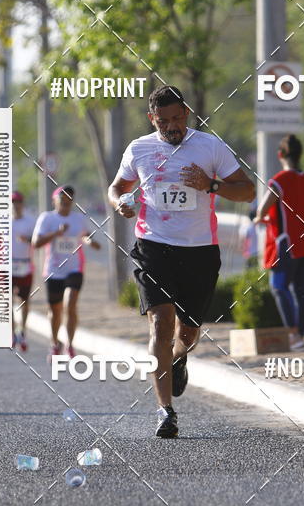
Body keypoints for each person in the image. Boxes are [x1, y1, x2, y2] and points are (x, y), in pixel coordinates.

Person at [108, 85, 255, 439]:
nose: (172, 126)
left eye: (177, 118)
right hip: (153, 247)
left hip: (200, 250)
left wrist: (212, 185)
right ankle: (165, 412)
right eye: (164, 121)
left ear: (187, 113)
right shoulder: (139, 149)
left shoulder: (210, 147)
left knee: (187, 334)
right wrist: (120, 203)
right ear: (152, 119)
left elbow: (248, 190)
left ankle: (179, 356)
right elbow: (116, 187)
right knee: (160, 323)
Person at [253, 135, 304, 350]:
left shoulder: (279, 181)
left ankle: (293, 334)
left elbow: (262, 210)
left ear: (280, 154)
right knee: (301, 289)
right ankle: (299, 334)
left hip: (285, 242)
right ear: (300, 154)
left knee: (279, 286)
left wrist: (259, 218)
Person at [32, 185, 101, 360]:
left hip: (74, 268)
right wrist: (57, 233)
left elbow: (87, 235)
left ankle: (70, 345)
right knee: (54, 311)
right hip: (53, 270)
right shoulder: (47, 218)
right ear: (54, 201)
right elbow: (36, 243)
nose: (66, 203)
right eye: (62, 200)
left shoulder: (79, 218)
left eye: (69, 200)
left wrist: (89, 241)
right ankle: (55, 343)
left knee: (70, 304)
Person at [11, 191, 36, 351]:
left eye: (18, 202)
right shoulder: (3, 222)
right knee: (7, 301)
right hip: (6, 266)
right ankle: (13, 333)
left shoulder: (30, 221)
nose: (15, 205)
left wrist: (27, 239)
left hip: (25, 264)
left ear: (22, 204)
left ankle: (23, 330)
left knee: (24, 301)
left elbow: (38, 241)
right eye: (13, 202)